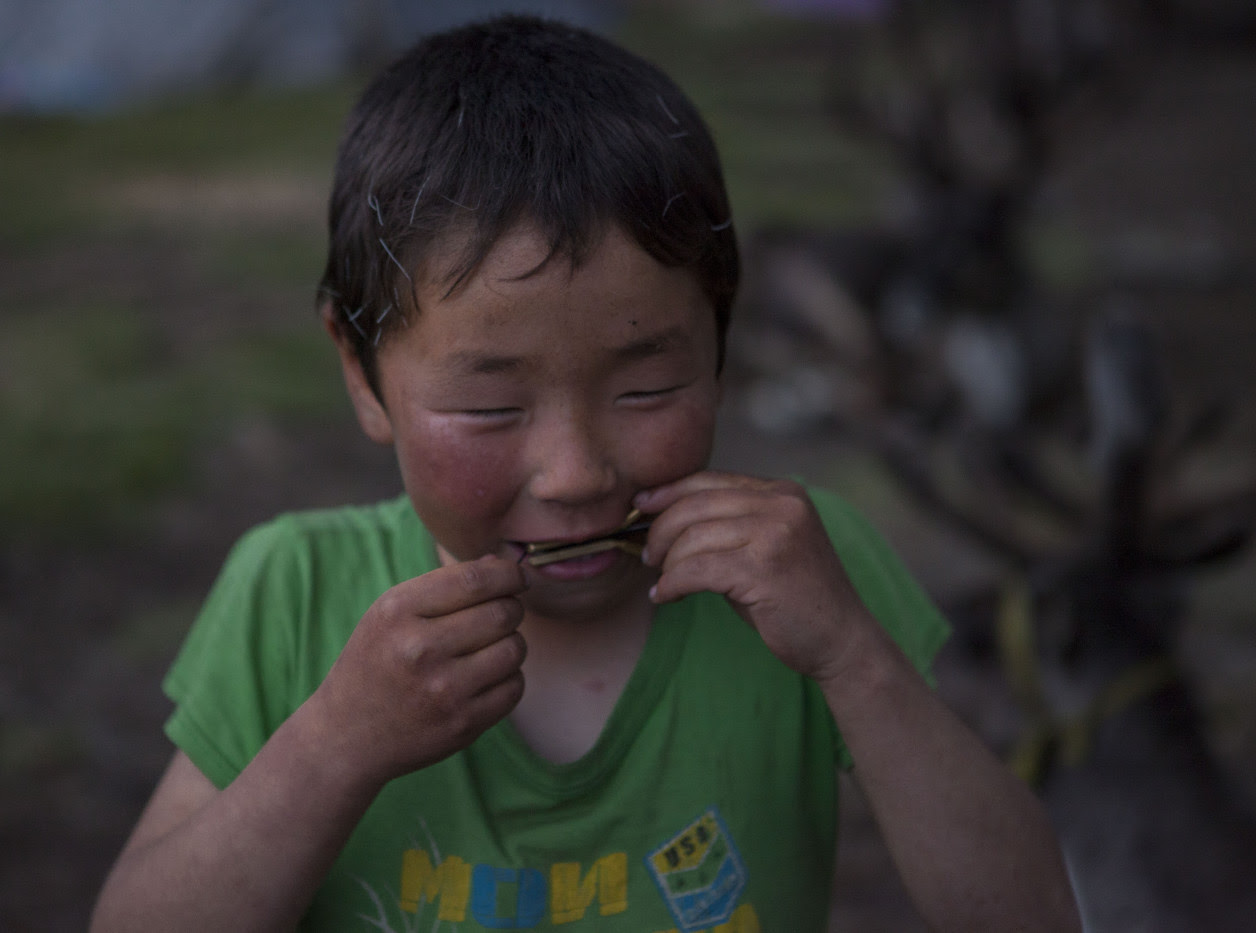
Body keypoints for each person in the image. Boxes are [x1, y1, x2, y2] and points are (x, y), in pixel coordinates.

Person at [91, 15, 1080, 933]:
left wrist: (854, 660)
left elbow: (1030, 912)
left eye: (646, 388)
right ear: (361, 375)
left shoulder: (810, 575)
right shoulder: (293, 595)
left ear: (720, 347)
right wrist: (331, 748)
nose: (574, 474)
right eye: (488, 408)